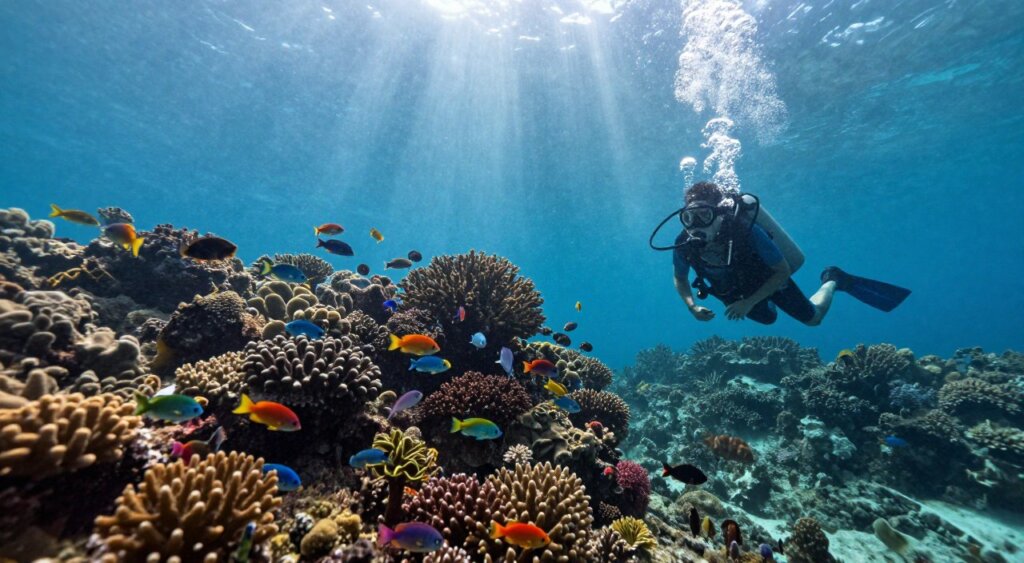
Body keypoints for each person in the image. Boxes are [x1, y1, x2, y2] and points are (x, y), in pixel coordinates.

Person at [668, 182, 910, 324]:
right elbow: (680, 278)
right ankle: (765, 304)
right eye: (688, 218)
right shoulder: (684, 243)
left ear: (719, 215)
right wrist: (691, 306)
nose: (695, 225)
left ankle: (834, 279)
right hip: (737, 292)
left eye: (704, 216)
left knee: (813, 319)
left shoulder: (746, 233)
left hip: (771, 281)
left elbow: (781, 270)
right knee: (769, 319)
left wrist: (749, 302)